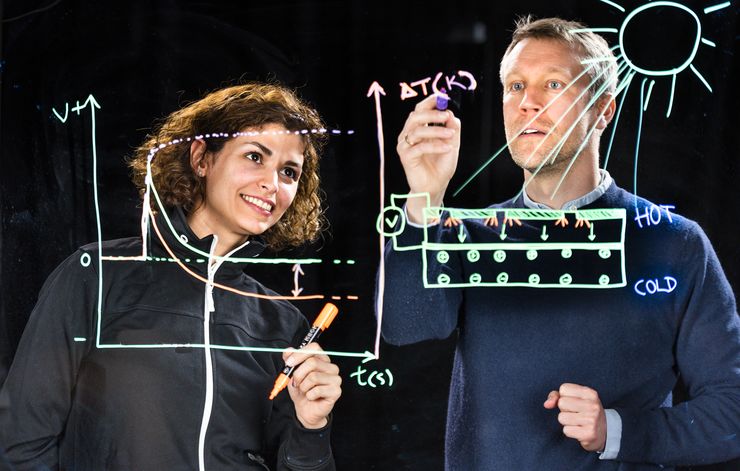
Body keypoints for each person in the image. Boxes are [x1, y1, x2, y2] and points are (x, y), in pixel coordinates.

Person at [379, 16, 740, 470]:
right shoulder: (468, 233)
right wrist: (425, 198)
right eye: (514, 86)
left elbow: (733, 410)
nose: (527, 103)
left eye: (553, 84)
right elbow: (402, 325)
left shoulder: (674, 242)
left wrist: (618, 431)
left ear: (603, 110)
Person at [0, 83, 341, 470]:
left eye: (289, 172)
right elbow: (21, 444)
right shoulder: (95, 275)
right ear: (201, 158)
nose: (272, 183)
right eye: (254, 156)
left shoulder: (283, 324)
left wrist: (312, 425)